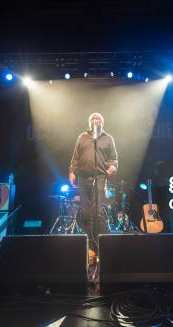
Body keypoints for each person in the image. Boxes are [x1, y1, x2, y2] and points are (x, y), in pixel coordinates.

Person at [69, 113, 118, 265]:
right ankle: (90, 247)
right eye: (93, 119)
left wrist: (112, 167)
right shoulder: (82, 137)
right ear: (89, 123)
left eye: (98, 119)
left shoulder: (107, 138)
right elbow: (75, 156)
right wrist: (71, 171)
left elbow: (114, 158)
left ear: (102, 122)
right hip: (84, 178)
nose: (95, 121)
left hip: (100, 178)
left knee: (99, 213)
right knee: (86, 213)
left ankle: (104, 247)